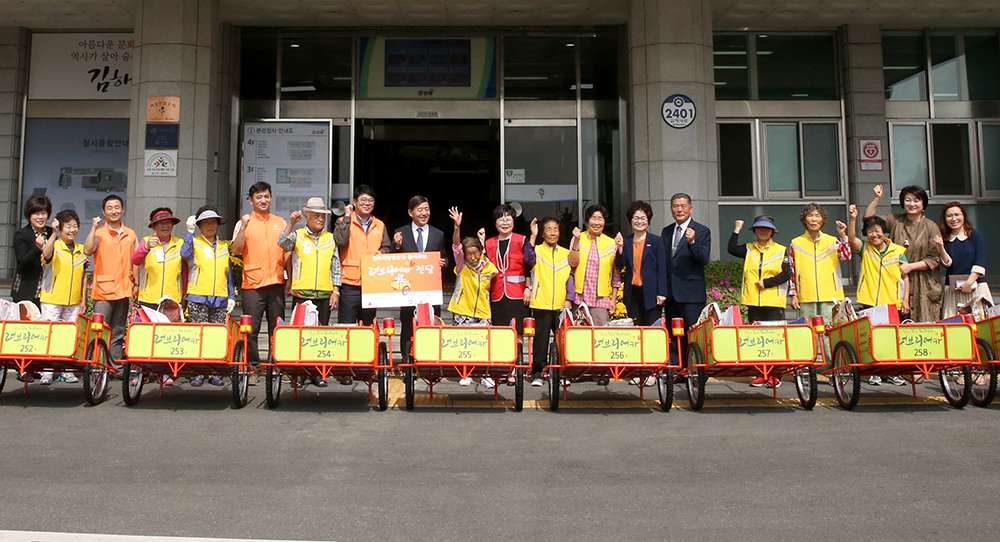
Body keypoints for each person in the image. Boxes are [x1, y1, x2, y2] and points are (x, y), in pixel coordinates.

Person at [278, 197, 342, 387]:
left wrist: (336, 291)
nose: (320, 219)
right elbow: (282, 242)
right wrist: (291, 223)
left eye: (322, 216)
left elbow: (335, 266)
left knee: (319, 336)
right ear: (306, 216)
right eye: (316, 215)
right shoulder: (298, 235)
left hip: (324, 293)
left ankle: (316, 372)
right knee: (300, 335)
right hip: (302, 293)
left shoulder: (329, 238)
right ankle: (299, 373)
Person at [232, 181, 287, 385]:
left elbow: (287, 250)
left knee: (277, 328)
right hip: (253, 284)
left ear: (271, 198)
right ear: (251, 200)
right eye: (258, 197)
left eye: (266, 196)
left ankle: (277, 366)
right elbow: (236, 250)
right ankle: (252, 368)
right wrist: (243, 228)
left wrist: (289, 279)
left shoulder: (280, 222)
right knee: (251, 329)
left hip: (276, 281)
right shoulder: (243, 222)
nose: (263, 200)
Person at [848, 206, 910, 386]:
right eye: (870, 231)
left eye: (877, 231)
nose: (874, 234)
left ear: (884, 232)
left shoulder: (898, 251)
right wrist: (853, 219)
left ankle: (893, 372)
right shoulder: (865, 249)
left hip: (892, 302)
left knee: (892, 338)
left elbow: (906, 277)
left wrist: (906, 300)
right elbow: (851, 239)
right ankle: (874, 371)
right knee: (871, 337)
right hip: (870, 301)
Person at [728, 216, 792, 388]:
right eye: (759, 228)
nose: (763, 231)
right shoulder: (749, 249)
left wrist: (767, 283)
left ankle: (775, 375)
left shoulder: (781, 250)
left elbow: (787, 274)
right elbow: (731, 249)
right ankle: (761, 374)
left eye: (767, 229)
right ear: (754, 230)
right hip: (753, 301)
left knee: (775, 340)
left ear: (772, 232)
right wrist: (737, 229)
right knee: (756, 340)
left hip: (773, 301)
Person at [864, 184, 942, 322]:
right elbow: (868, 221)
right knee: (896, 322)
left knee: (923, 322)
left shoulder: (931, 227)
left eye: (916, 200)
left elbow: (934, 258)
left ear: (923, 203)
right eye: (908, 200)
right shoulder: (896, 221)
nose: (912, 204)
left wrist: (910, 266)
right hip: (896, 279)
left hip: (923, 281)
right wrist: (876, 198)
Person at [788, 203, 851, 362]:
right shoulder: (796, 243)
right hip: (806, 295)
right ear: (805, 219)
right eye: (810, 216)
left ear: (823, 220)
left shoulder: (833, 241)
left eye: (817, 216)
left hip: (831, 296)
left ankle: (833, 365)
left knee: (830, 332)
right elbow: (792, 270)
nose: (814, 219)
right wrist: (794, 294)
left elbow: (846, 256)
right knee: (808, 332)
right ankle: (807, 366)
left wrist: (843, 236)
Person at [180, 206, 235, 387]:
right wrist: (189, 233)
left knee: (215, 337)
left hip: (219, 297)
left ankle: (213, 371)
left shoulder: (223, 247)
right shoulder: (195, 242)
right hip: (198, 296)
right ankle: (197, 372)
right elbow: (184, 254)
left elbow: (228, 274)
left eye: (213, 222)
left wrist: (231, 296)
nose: (210, 226)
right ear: (199, 226)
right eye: (206, 223)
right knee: (198, 336)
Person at [391, 195, 448, 364]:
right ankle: (407, 360)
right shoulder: (401, 233)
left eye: (427, 209)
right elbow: (392, 260)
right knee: (408, 324)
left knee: (431, 323)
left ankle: (430, 360)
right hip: (408, 291)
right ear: (410, 212)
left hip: (431, 290)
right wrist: (397, 245)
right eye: (420, 210)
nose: (424, 213)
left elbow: (445, 257)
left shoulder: (438, 234)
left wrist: (444, 263)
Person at [660, 193, 711, 377]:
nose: (679, 210)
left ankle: (695, 371)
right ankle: (676, 369)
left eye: (683, 206)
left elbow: (704, 259)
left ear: (690, 208)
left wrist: (692, 242)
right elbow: (665, 262)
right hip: (672, 294)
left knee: (692, 333)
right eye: (675, 206)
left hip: (691, 294)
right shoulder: (666, 231)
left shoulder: (702, 231)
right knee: (674, 335)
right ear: (671, 209)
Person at [448, 206, 499, 387]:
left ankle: (485, 374)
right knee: (463, 344)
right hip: (462, 310)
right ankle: (465, 373)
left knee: (484, 344)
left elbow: (492, 268)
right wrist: (457, 227)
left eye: (475, 253)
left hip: (483, 311)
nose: (472, 257)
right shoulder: (462, 265)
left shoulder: (489, 267)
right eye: (468, 254)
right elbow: (456, 245)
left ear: (480, 251)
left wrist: (482, 244)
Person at [83, 194, 136, 366]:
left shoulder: (130, 234)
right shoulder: (99, 233)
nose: (114, 211)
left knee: (118, 331)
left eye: (117, 207)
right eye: (110, 208)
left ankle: (115, 366)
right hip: (103, 292)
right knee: (100, 330)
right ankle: (97, 364)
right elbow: (87, 250)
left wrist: (136, 284)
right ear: (104, 212)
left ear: (123, 210)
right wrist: (93, 227)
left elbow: (135, 260)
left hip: (124, 289)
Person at [38, 210, 87, 385]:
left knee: (69, 337)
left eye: (75, 226)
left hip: (73, 302)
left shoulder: (81, 250)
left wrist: (83, 299)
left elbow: (83, 277)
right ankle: (47, 371)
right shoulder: (54, 245)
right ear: (60, 228)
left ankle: (66, 370)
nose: (72, 230)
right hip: (52, 299)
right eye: (68, 226)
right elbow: (46, 255)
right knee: (50, 335)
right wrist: (54, 234)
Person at [334, 185, 392, 328]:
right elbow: (340, 241)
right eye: (363, 200)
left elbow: (387, 247)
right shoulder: (343, 221)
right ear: (354, 202)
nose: (367, 203)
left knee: (367, 326)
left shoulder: (379, 225)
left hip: (371, 283)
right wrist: (347, 217)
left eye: (370, 200)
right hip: (349, 283)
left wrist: (382, 252)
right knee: (347, 326)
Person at [528, 216, 575, 387]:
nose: (553, 233)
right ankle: (538, 373)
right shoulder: (536, 250)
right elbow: (527, 259)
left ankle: (562, 373)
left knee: (562, 340)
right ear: (542, 233)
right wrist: (532, 236)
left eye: (556, 229)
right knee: (540, 341)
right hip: (541, 302)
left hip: (561, 304)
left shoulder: (566, 253)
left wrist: (569, 299)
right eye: (549, 229)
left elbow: (571, 278)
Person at [477, 204, 536, 333]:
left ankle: (518, 348)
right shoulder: (489, 243)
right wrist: (481, 244)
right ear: (495, 222)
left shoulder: (521, 240)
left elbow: (528, 266)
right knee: (500, 332)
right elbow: (484, 267)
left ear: (514, 222)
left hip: (518, 293)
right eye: (501, 219)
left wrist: (528, 288)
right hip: (497, 293)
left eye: (508, 219)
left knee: (518, 331)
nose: (505, 223)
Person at [614, 200, 667, 326]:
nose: (640, 221)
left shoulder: (656, 241)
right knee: (636, 328)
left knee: (652, 328)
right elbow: (620, 264)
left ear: (648, 220)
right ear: (631, 220)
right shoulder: (626, 241)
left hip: (651, 292)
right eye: (636, 218)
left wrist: (662, 293)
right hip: (632, 293)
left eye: (643, 218)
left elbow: (662, 268)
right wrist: (620, 248)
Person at [936, 202, 987, 319]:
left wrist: (969, 283)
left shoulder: (975, 235)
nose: (954, 219)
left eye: (957, 215)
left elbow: (980, 262)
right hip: (953, 290)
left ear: (963, 216)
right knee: (953, 324)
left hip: (976, 286)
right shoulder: (944, 238)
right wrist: (940, 247)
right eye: (949, 216)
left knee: (979, 323)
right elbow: (947, 263)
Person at [132, 208, 185, 310]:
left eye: (168, 222)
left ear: (173, 225)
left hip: (172, 298)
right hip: (149, 298)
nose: (165, 226)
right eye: (161, 223)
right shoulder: (146, 241)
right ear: (154, 226)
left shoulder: (180, 243)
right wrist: (146, 248)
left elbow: (185, 271)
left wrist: (184, 295)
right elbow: (135, 260)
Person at [12, 195, 54, 307]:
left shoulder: (52, 233)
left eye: (43, 213)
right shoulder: (22, 235)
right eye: (36, 213)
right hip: (27, 290)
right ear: (29, 215)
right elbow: (22, 262)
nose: (40, 217)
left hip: (48, 291)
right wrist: (37, 248)